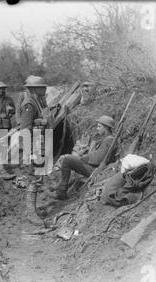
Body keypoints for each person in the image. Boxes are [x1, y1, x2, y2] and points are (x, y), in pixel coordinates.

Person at [51, 115, 116, 200]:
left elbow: (98, 159)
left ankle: (61, 191)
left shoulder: (109, 140)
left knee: (67, 160)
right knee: (68, 158)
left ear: (106, 128)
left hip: (96, 171)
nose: (97, 128)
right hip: (96, 168)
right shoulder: (107, 139)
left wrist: (83, 158)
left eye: (99, 126)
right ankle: (61, 186)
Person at [18, 75, 51, 225]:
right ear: (33, 89)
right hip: (32, 145)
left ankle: (32, 210)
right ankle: (30, 213)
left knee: (37, 176)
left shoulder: (38, 101)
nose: (44, 89)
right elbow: (25, 128)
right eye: (41, 87)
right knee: (33, 178)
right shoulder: (29, 104)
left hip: (38, 142)